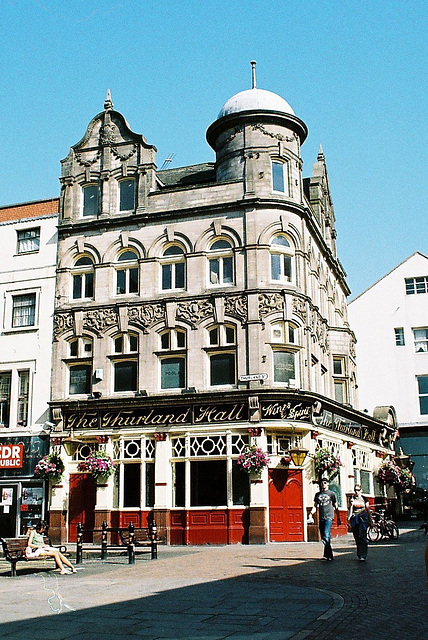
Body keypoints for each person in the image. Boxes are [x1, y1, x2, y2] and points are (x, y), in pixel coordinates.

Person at [310, 478, 341, 561]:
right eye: (322, 483)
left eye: (325, 483)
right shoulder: (317, 495)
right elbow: (315, 506)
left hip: (329, 517)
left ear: (328, 484)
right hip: (321, 517)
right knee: (324, 536)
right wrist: (310, 514)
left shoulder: (332, 494)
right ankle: (327, 554)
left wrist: (338, 517)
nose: (323, 484)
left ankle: (329, 555)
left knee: (326, 534)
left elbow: (336, 506)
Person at [348, 484, 372, 561]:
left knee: (362, 536)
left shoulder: (364, 499)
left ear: (361, 490)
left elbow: (367, 509)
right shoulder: (352, 498)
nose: (356, 492)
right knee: (357, 537)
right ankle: (359, 553)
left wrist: (370, 520)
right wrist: (348, 519)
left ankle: (363, 555)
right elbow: (350, 510)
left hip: (363, 518)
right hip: (355, 518)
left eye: (358, 490)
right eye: (355, 490)